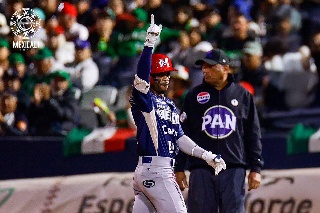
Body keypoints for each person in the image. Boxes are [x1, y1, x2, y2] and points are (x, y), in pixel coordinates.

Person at [131, 15, 226, 213]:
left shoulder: (170, 104)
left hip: (150, 172)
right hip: (157, 171)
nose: (165, 78)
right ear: (151, 77)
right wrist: (149, 43)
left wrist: (206, 155)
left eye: (167, 74)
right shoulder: (145, 99)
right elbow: (140, 78)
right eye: (160, 75)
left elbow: (180, 137)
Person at [175, 48, 264, 213]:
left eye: (210, 66)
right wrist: (178, 167)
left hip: (233, 168)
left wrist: (256, 168)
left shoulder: (243, 95)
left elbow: (253, 134)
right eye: (203, 67)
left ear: (225, 68)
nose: (205, 70)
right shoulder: (193, 96)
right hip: (201, 168)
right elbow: (183, 134)